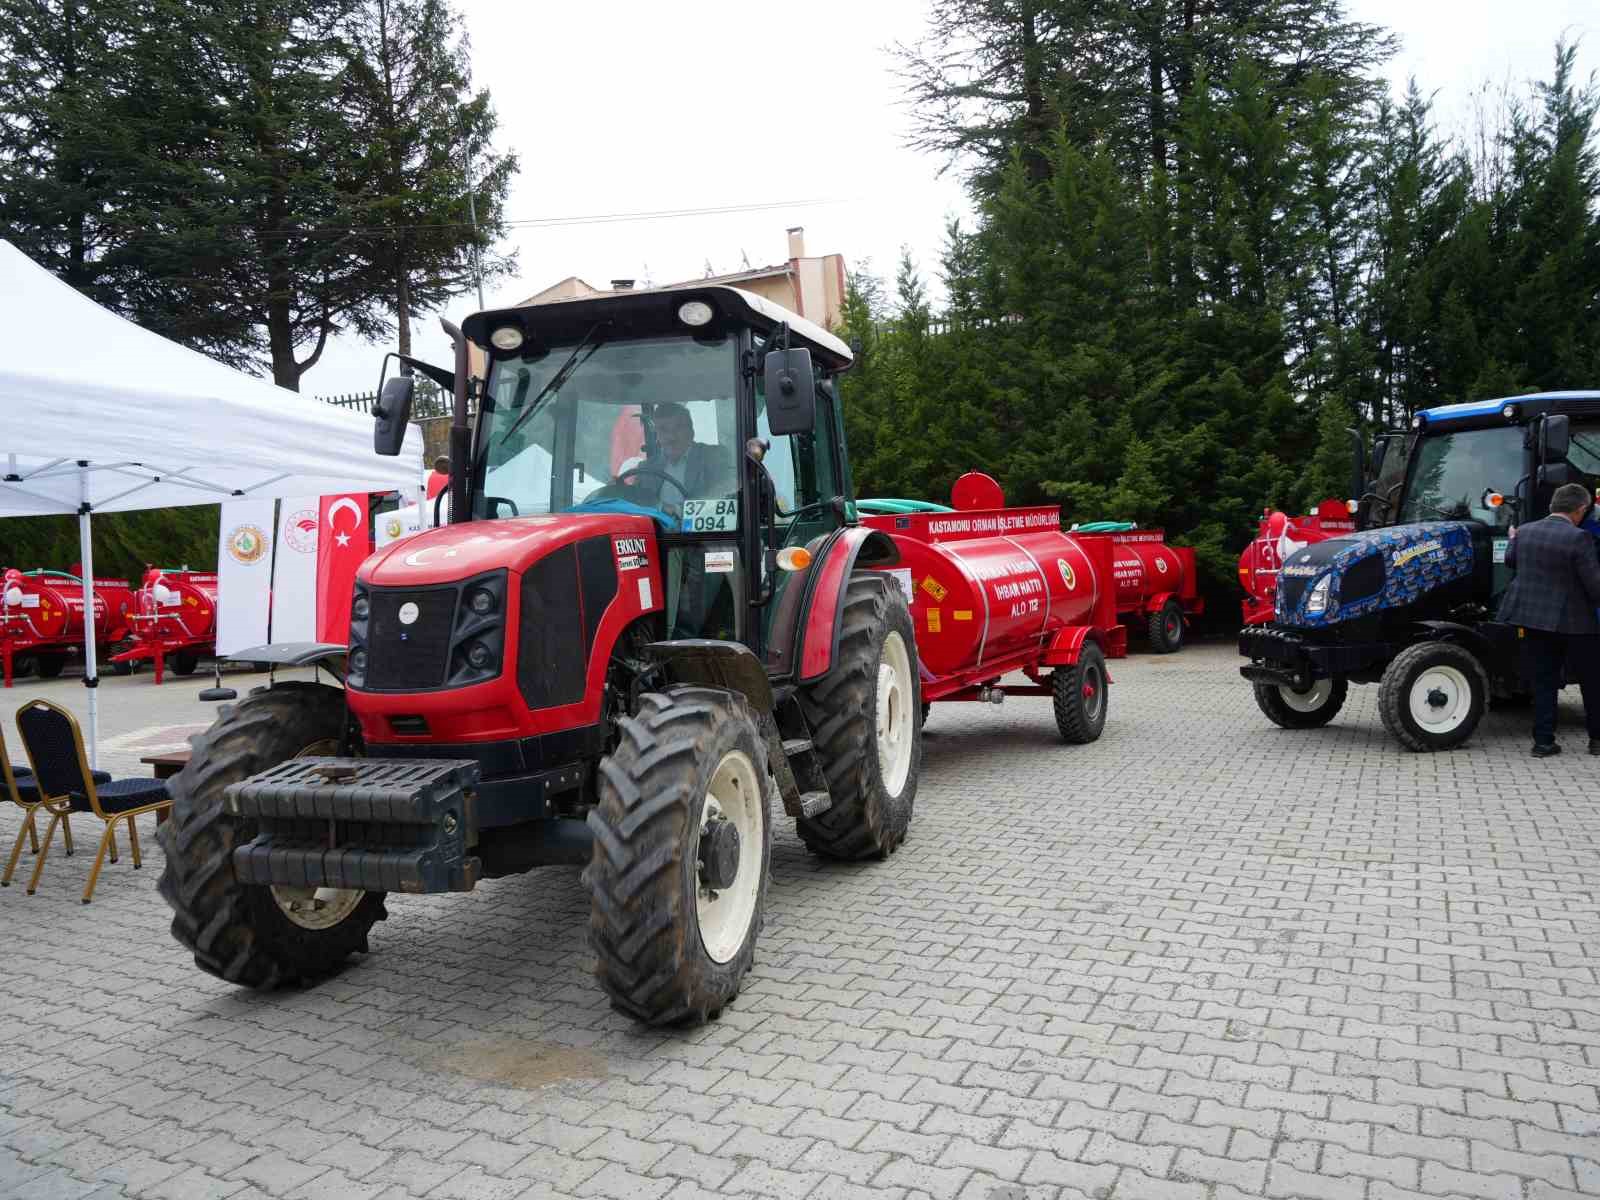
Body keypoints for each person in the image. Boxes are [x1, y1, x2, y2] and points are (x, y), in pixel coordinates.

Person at [1498, 481, 1600, 756]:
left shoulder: (1525, 532)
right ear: (1580, 510)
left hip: (1533, 619)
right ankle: (1597, 741)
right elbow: (1595, 586)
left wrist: (1512, 539)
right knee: (1592, 682)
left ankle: (1543, 742)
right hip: (1575, 623)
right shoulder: (1579, 538)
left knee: (1543, 680)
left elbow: (1510, 561)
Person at [628, 402, 732, 507]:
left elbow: (724, 494)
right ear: (657, 435)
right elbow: (636, 502)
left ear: (691, 431)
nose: (671, 437)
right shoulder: (646, 469)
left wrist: (678, 510)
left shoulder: (714, 457)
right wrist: (619, 489)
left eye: (678, 428)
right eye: (663, 430)